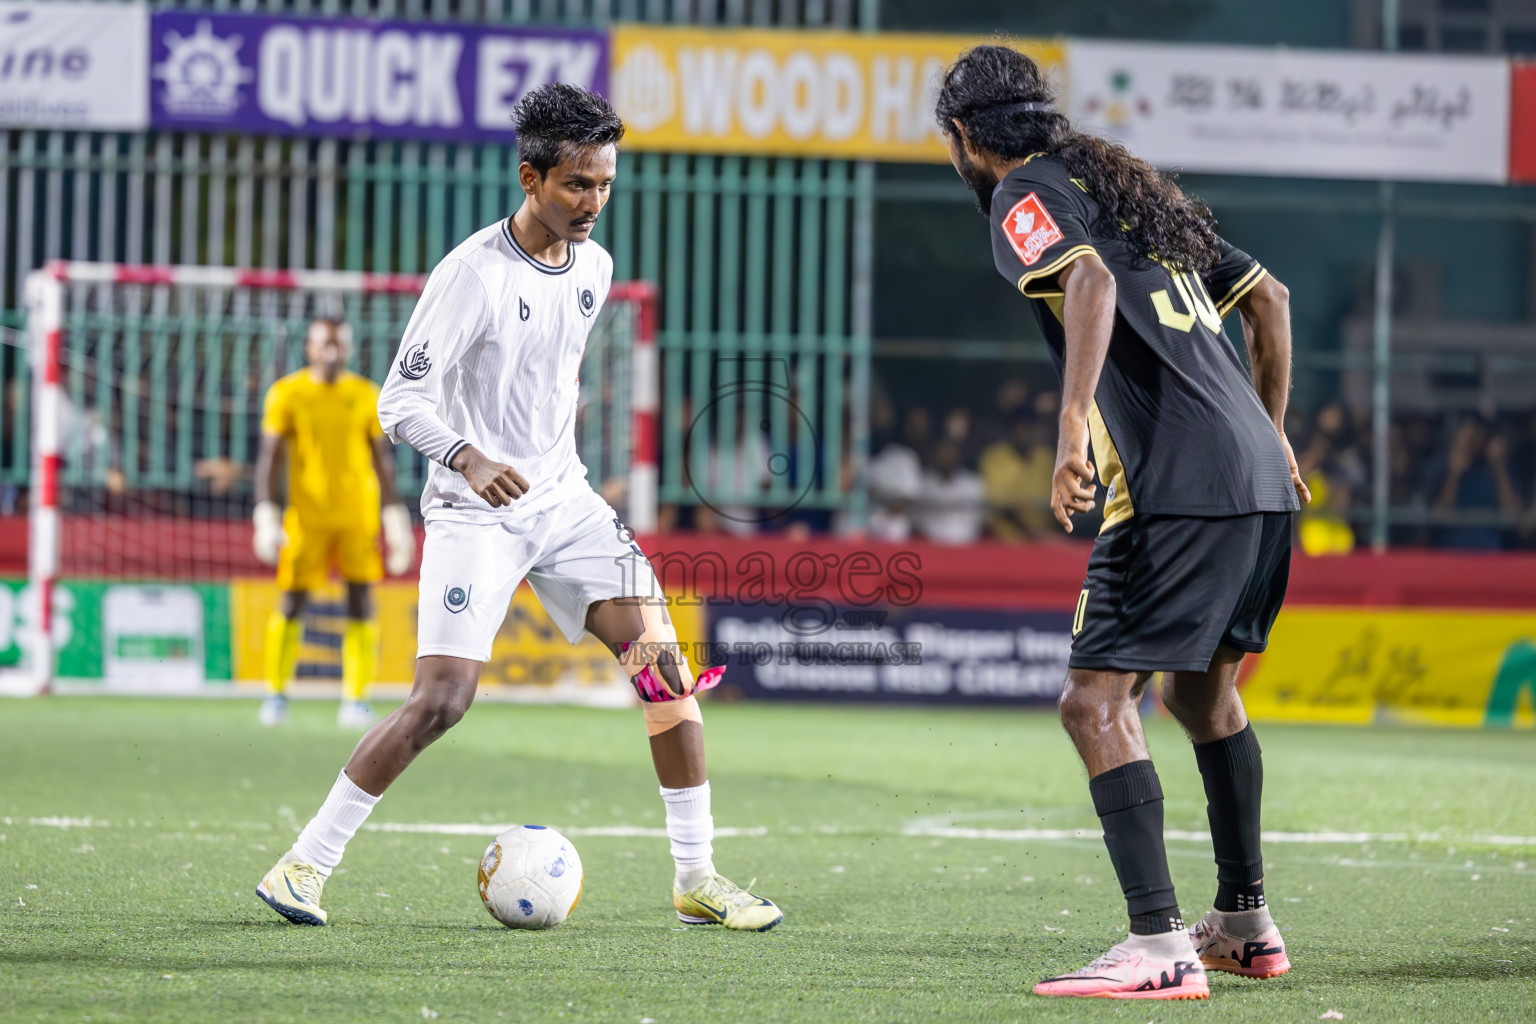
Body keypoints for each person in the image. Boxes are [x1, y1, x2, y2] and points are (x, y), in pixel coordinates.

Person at [256, 83, 781, 934]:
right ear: (530, 176)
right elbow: (398, 399)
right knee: (443, 701)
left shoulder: (597, 268)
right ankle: (304, 864)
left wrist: (554, 468)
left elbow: (543, 381)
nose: (594, 202)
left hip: (563, 502)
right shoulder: (471, 275)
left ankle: (697, 878)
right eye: (577, 184)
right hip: (474, 509)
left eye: (605, 183)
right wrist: (468, 455)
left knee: (663, 670)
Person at [937, 45, 1310, 1000]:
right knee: (1200, 698)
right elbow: (1270, 298)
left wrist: (1069, 427)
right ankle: (1241, 924)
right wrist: (1265, 438)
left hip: (1174, 487)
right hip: (1262, 485)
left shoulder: (1024, 193)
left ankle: (1156, 947)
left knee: (1093, 703)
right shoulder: (1127, 190)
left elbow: (1092, 286)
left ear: (965, 139)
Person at [252, 319, 414, 729]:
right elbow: (268, 461)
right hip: (306, 519)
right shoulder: (287, 394)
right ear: (309, 347)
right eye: (325, 344)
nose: (332, 352)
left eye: (339, 345)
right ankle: (275, 693)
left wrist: (395, 521)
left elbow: (382, 463)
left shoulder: (364, 394)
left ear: (348, 348)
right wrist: (265, 514)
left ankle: (357, 699)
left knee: (361, 602)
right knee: (292, 602)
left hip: (357, 517)